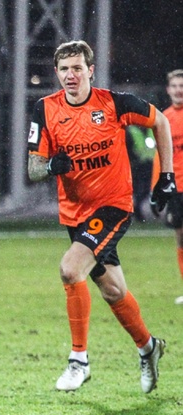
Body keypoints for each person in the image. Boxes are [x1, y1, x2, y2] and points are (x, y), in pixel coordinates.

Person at [26, 40, 175, 393]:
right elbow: (33, 169)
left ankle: (78, 360)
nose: (71, 75)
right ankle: (149, 348)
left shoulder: (114, 103)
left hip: (112, 206)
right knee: (112, 290)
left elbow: (160, 121)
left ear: (90, 71)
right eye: (64, 69)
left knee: (70, 269)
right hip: (74, 214)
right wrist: (51, 166)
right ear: (56, 73)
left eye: (77, 68)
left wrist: (166, 175)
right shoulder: (45, 109)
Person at [152, 69, 183, 304]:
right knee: (181, 238)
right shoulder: (164, 118)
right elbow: (160, 156)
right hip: (177, 188)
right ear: (168, 90)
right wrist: (156, 188)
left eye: (182, 86)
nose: (178, 90)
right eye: (174, 86)